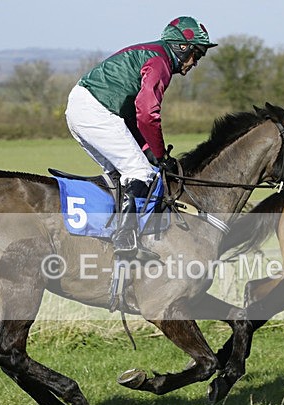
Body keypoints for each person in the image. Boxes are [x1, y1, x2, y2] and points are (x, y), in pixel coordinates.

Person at [65, 16, 217, 259]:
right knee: (139, 172)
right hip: (96, 110)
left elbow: (133, 120)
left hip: (83, 107)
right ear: (181, 47)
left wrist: (149, 151)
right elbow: (147, 114)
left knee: (120, 175)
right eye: (196, 54)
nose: (195, 62)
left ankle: (110, 237)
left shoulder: (153, 54)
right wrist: (160, 155)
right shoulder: (160, 62)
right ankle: (125, 240)